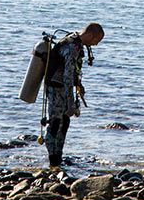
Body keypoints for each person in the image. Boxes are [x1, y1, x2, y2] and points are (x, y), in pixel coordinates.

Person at [44, 23, 104, 167]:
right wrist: (70, 103)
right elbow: (67, 75)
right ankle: (53, 160)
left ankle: (58, 157)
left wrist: (79, 85)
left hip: (63, 87)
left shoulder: (76, 42)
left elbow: (73, 72)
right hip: (56, 88)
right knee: (55, 123)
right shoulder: (72, 47)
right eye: (97, 40)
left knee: (64, 122)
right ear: (90, 35)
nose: (96, 44)